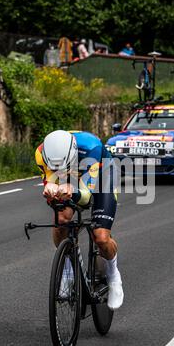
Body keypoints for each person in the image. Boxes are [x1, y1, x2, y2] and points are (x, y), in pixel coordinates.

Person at [35, 130, 124, 310]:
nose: (59, 170)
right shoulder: (40, 154)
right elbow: (53, 184)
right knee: (62, 219)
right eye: (55, 167)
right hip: (70, 176)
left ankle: (114, 277)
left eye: (63, 166)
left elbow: (85, 198)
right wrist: (51, 190)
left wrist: (72, 191)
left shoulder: (92, 148)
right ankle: (67, 273)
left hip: (103, 174)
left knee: (101, 237)